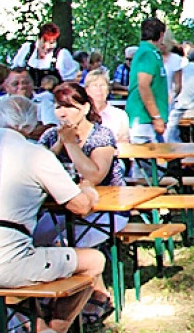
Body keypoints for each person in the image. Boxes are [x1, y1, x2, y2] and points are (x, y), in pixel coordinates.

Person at [0, 95, 106, 333]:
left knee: (29, 261)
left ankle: (39, 331)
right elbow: (79, 207)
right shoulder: (34, 155)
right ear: (31, 127)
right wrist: (88, 192)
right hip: (5, 262)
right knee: (94, 260)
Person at [35, 83, 129, 287]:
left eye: (70, 107)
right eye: (59, 107)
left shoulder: (101, 135)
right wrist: (60, 143)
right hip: (60, 210)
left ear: (85, 108)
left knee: (64, 248)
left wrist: (70, 145)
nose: (63, 113)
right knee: (33, 244)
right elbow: (36, 168)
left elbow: (94, 175)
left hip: (104, 210)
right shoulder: (51, 135)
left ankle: (93, 300)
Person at [127, 17, 171, 146]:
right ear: (161, 35)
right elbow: (143, 85)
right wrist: (156, 117)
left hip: (148, 120)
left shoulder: (151, 53)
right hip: (143, 120)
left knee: (156, 163)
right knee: (150, 163)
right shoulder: (147, 54)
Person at [11, 22, 78, 83]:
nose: (47, 46)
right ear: (39, 38)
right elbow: (15, 72)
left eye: (51, 43)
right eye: (44, 42)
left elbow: (70, 81)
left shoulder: (62, 54)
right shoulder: (27, 49)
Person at [3, 68, 54, 139]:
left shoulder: (44, 103)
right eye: (15, 84)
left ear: (33, 84)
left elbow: (49, 129)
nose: (22, 87)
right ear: (6, 87)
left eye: (26, 83)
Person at [84, 69, 130, 145]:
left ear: (108, 89)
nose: (99, 89)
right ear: (87, 90)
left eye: (102, 85)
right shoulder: (81, 114)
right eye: (95, 85)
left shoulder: (120, 115)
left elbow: (123, 143)